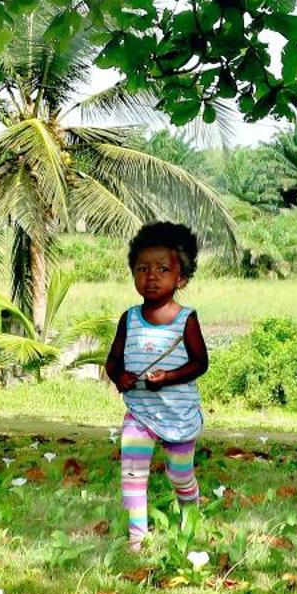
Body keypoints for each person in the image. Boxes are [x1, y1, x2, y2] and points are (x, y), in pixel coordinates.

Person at [103, 221, 209, 551]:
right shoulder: (129, 318)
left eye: (163, 269)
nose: (151, 276)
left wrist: (169, 377)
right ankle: (137, 537)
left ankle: (190, 510)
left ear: (181, 278)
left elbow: (199, 363)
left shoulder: (185, 319)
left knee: (179, 475)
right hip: (140, 414)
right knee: (133, 474)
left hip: (178, 416)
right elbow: (113, 360)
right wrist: (119, 376)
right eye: (142, 268)